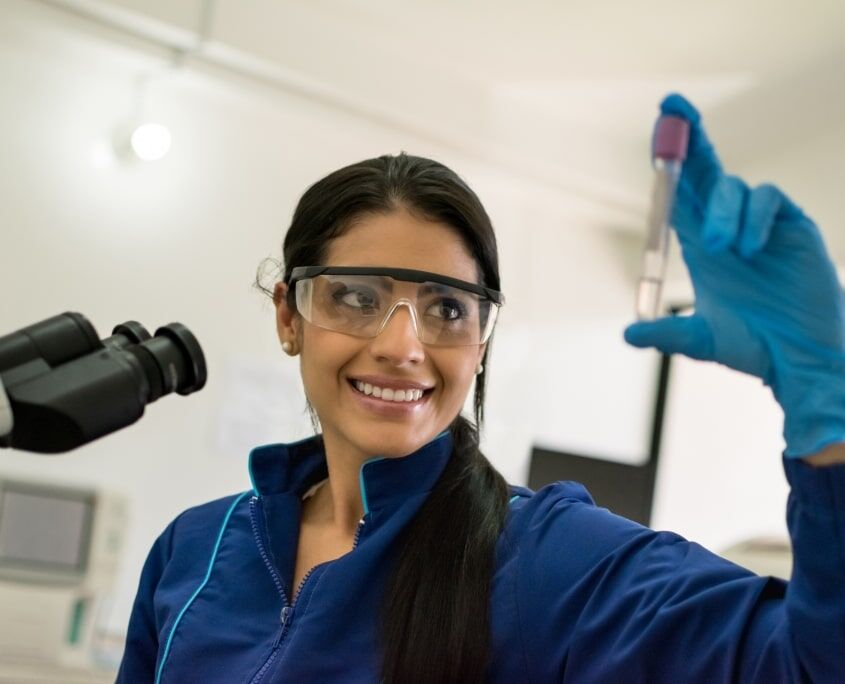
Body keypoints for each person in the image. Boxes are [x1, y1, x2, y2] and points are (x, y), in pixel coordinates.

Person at [116, 94, 845, 683]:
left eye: (446, 309)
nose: (402, 347)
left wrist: (829, 411)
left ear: (481, 341)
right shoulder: (194, 548)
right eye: (357, 298)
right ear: (289, 315)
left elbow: (808, 667)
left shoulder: (545, 560)